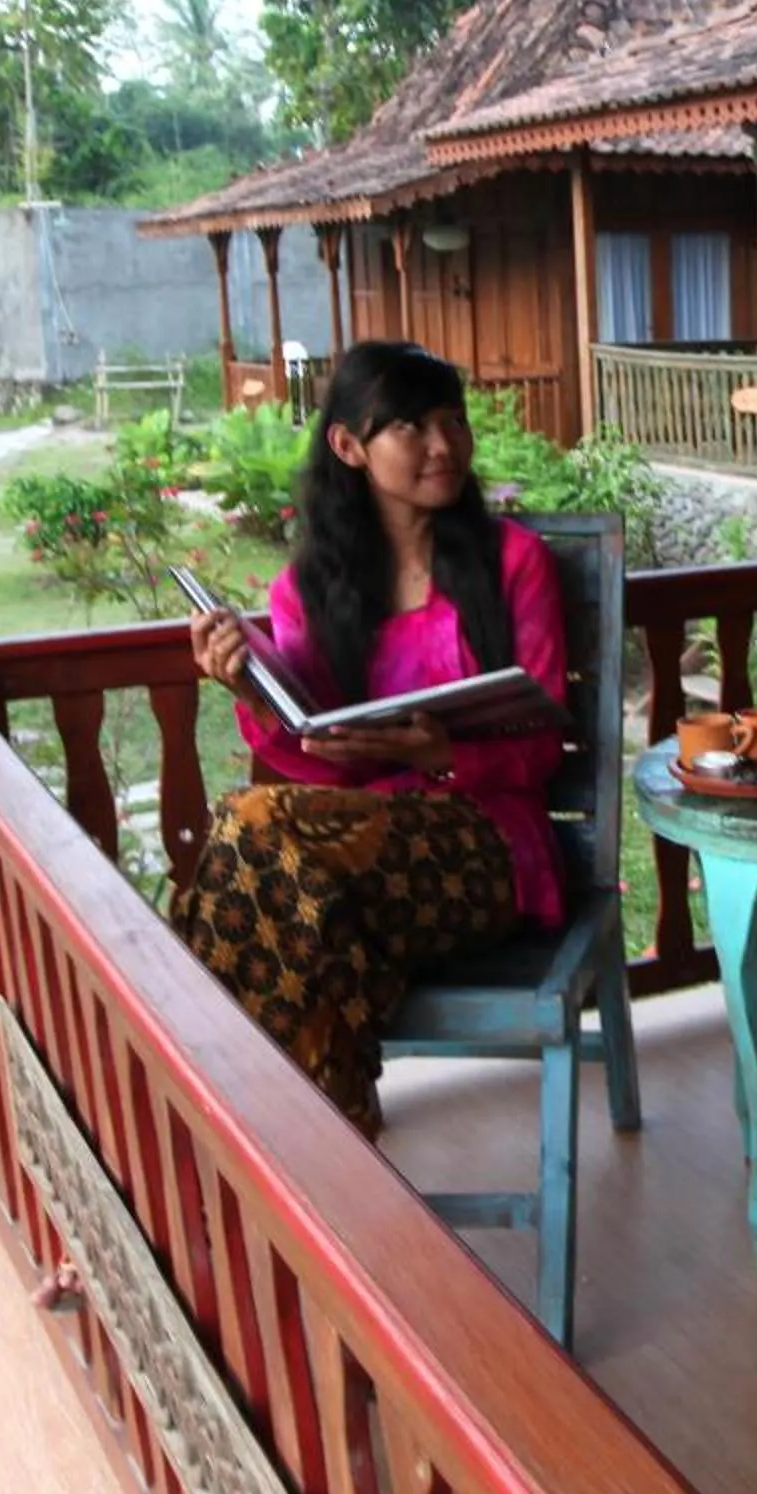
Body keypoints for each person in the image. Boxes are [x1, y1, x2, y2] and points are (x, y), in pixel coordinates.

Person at [176, 341, 567, 1136]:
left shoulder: (512, 564)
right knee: (298, 910)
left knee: (247, 831)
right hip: (353, 861)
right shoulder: (309, 590)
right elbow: (316, 763)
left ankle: (234, 1138)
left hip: (489, 845)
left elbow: (543, 743)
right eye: (411, 426)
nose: (443, 445)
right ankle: (334, 1124)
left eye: (452, 421)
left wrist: (438, 755)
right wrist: (250, 688)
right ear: (349, 446)